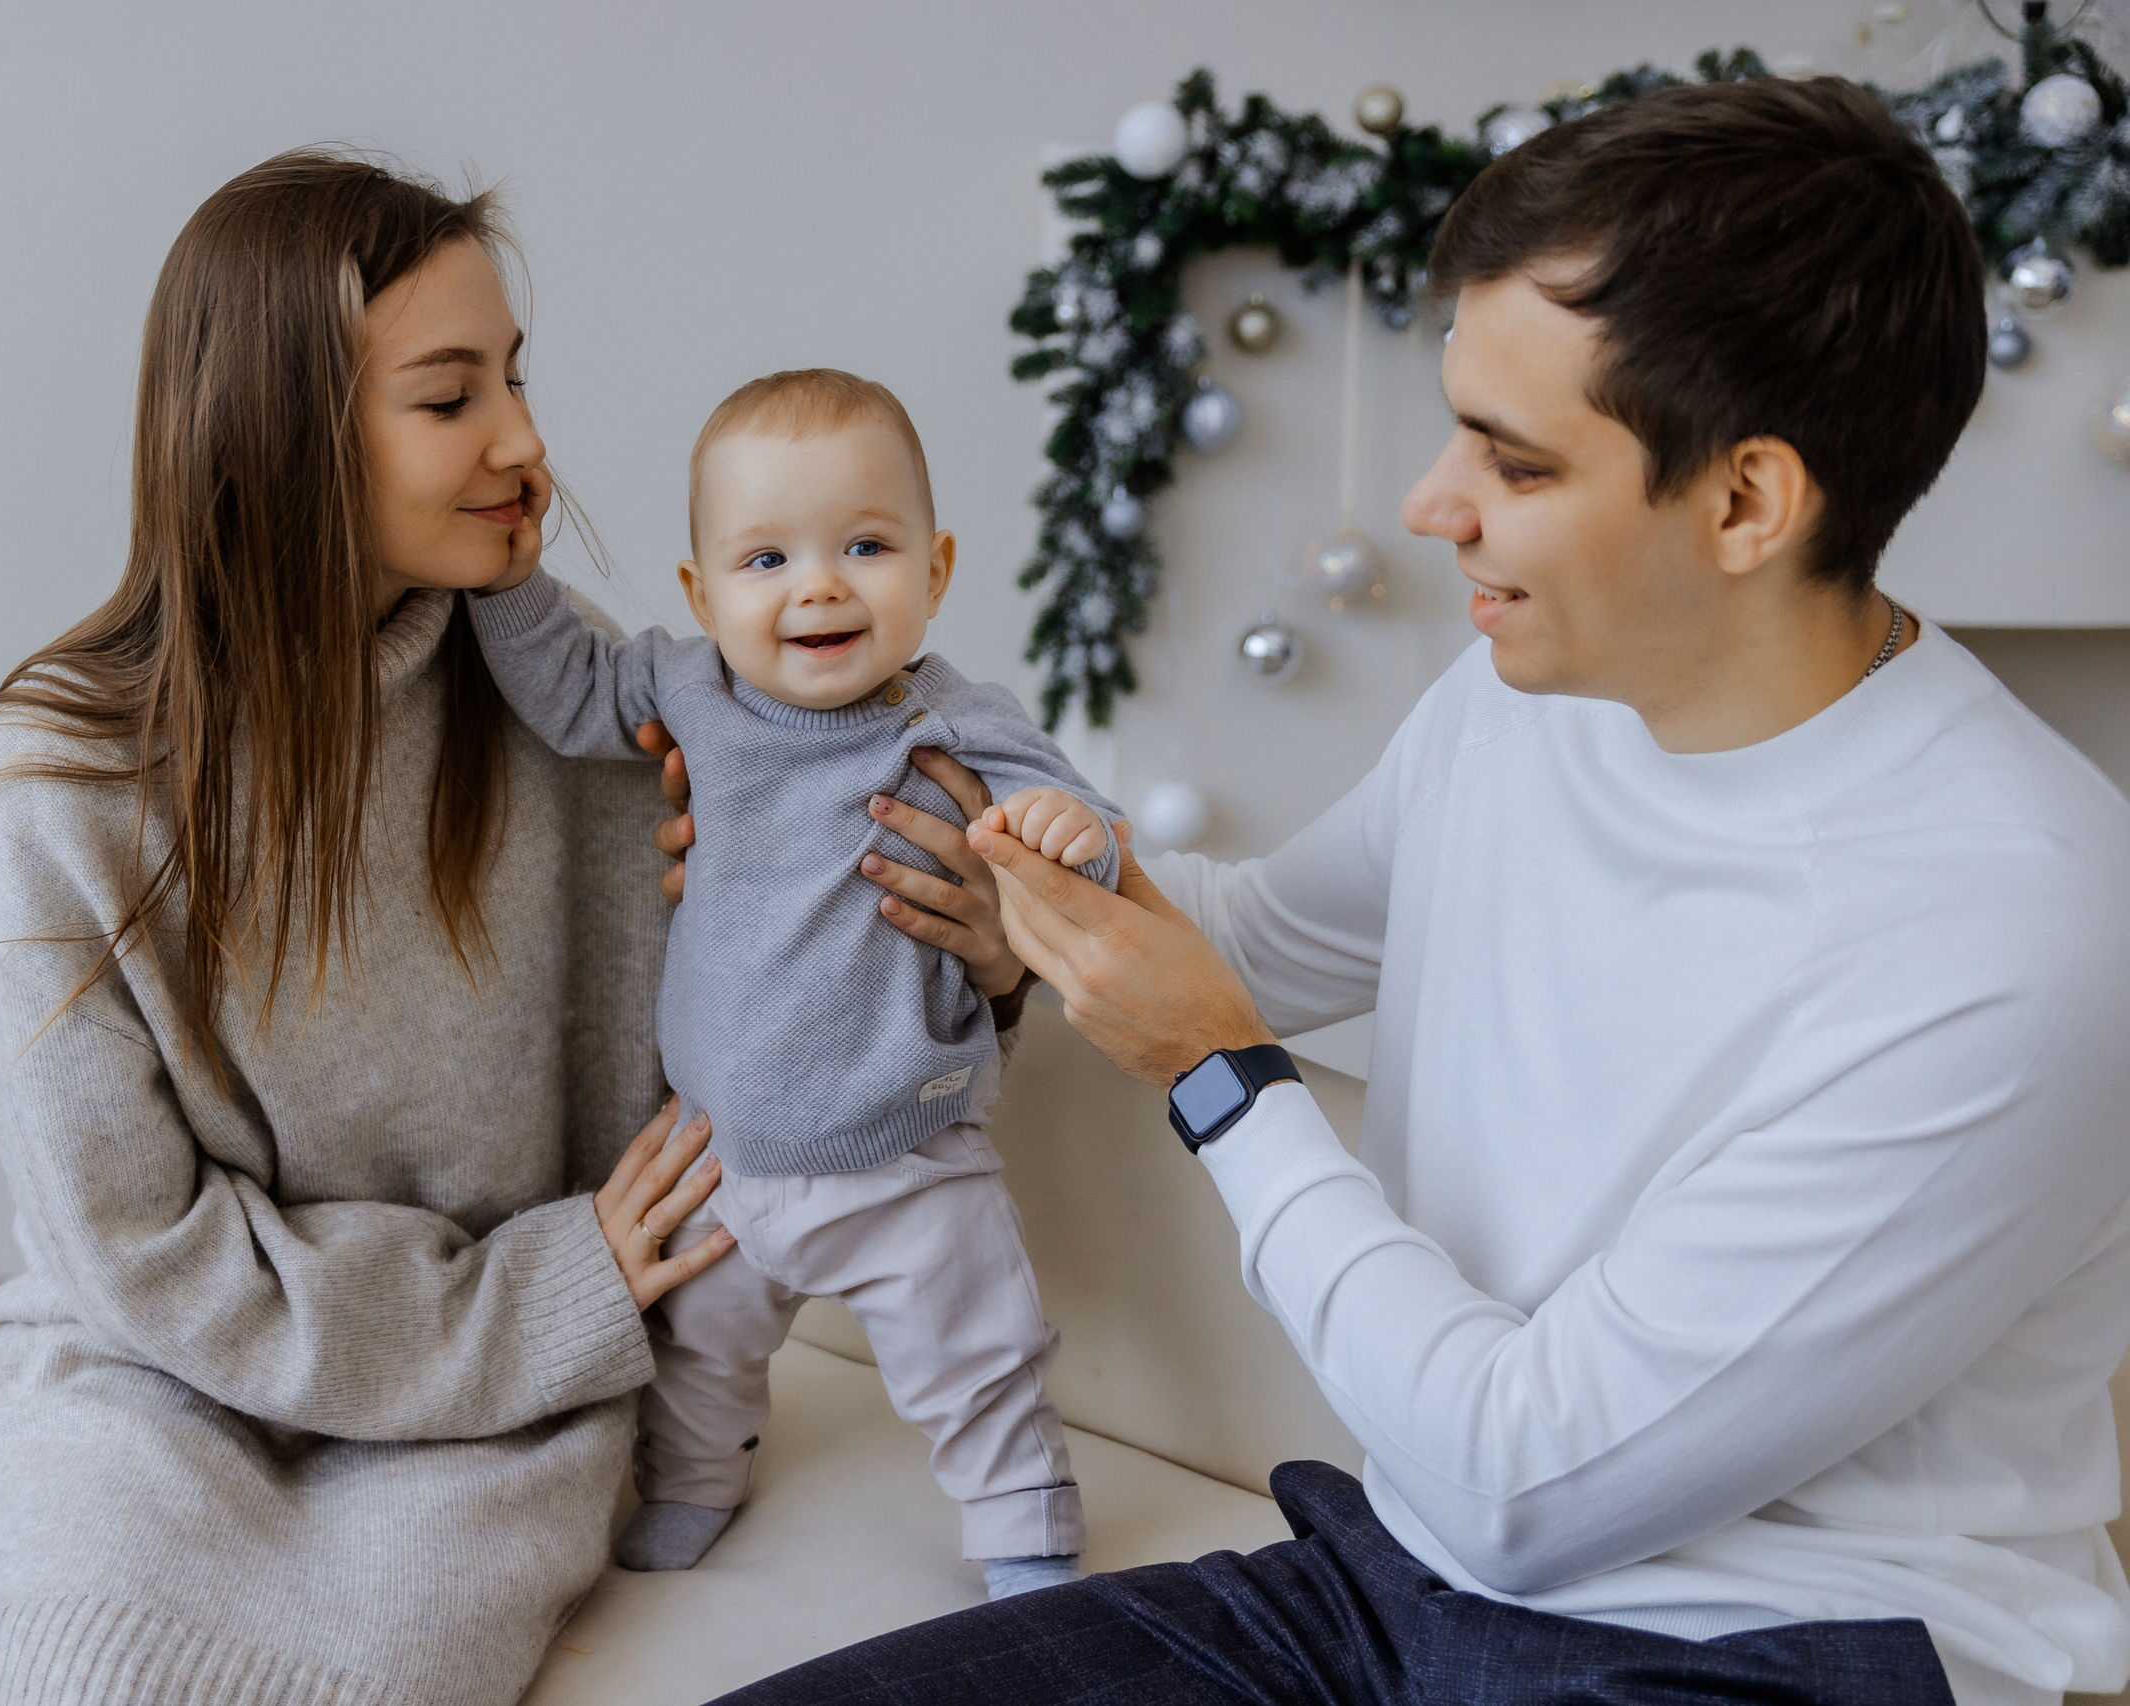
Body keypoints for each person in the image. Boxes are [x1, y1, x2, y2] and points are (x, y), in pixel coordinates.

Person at [705, 77, 2130, 1706]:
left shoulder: (2013, 935)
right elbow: (1247, 939)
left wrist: (1222, 1085)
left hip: (1791, 1649)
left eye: (1511, 463)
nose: (1425, 502)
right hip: (1394, 1581)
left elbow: (1521, 1490)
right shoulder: (1525, 705)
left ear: (1745, 502)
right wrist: (940, 858)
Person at [0, 149, 753, 1705]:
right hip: (146, 1367)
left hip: (501, 1394)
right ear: (278, 437)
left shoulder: (573, 709)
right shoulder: (62, 790)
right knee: (62, 1667)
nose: (527, 442)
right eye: (449, 397)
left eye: (515, 380)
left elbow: (760, 999)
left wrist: (939, 927)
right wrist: (544, 1291)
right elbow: (138, 1251)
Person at [465, 369, 1115, 1598]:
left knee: (978, 1353)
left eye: (864, 545)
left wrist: (1070, 831)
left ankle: (1024, 1530)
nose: (817, 583)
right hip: (723, 1146)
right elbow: (570, 691)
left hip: (903, 1139)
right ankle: (698, 1484)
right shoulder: (688, 691)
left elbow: (1080, 802)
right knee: (699, 1355)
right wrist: (508, 582)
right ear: (701, 596)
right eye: (764, 561)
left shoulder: (949, 722)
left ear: (936, 570)